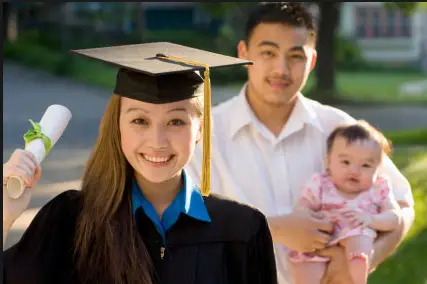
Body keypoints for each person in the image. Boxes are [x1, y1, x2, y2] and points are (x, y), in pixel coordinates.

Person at [3, 42, 278, 284]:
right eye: (140, 121)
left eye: (176, 121)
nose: (157, 140)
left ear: (201, 131)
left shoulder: (241, 230)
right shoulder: (70, 221)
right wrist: (5, 215)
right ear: (117, 126)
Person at [186, 3, 415, 284]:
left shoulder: (339, 128)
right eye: (268, 53)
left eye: (295, 56)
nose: (281, 69)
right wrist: (273, 229)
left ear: (313, 60)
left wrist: (367, 259)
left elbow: (403, 204)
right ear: (243, 53)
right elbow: (181, 229)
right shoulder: (202, 136)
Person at [287, 120, 401, 284]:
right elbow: (302, 207)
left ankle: (358, 275)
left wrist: (371, 220)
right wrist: (310, 220)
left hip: (355, 230)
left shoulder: (378, 188)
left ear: (378, 169)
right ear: (328, 162)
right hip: (321, 238)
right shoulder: (320, 184)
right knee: (305, 263)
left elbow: (394, 217)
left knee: (361, 238)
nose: (354, 170)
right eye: (345, 162)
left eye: (366, 165)